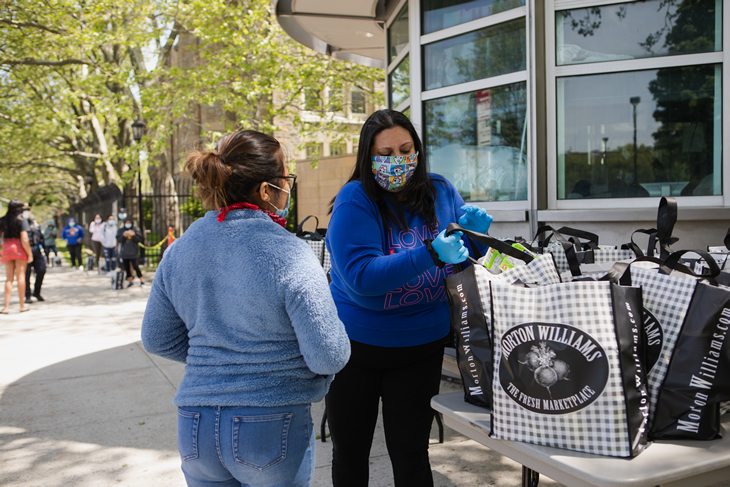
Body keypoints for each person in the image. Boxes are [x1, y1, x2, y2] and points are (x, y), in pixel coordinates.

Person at [141, 129, 351, 487]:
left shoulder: (180, 249)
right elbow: (329, 355)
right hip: (271, 420)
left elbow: (156, 338)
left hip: (196, 424)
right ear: (267, 190)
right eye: (286, 178)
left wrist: (216, 356)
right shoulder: (290, 253)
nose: (289, 186)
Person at [324, 109, 493, 486]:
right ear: (368, 158)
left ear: (417, 150)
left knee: (413, 454)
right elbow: (362, 277)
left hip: (421, 346)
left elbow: (461, 258)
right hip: (357, 350)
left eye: (406, 149)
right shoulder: (356, 199)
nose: (397, 161)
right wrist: (431, 252)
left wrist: (477, 240)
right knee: (351, 454)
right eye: (385, 154)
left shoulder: (440, 190)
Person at [0, 199, 33, 313]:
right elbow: (24, 238)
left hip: (7, 247)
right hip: (19, 247)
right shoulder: (22, 220)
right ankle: (22, 306)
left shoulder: (3, 220)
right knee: (21, 277)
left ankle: (6, 307)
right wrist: (29, 253)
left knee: (9, 278)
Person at [117, 217, 145, 287]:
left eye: (129, 223)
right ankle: (130, 281)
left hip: (133, 252)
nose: (128, 224)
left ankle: (142, 281)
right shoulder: (121, 230)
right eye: (127, 222)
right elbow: (119, 240)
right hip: (125, 252)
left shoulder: (136, 230)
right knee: (126, 268)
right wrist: (123, 236)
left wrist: (133, 235)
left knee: (135, 266)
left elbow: (139, 239)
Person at [24, 217, 46, 303]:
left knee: (41, 270)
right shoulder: (21, 223)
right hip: (25, 250)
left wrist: (45, 251)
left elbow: (41, 238)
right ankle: (27, 295)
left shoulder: (34, 224)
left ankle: (36, 292)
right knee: (27, 274)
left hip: (36, 250)